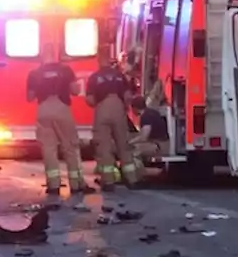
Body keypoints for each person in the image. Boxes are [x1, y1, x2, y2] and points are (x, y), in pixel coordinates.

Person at [27, 44, 90, 196]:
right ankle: (76, 184)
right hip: (62, 109)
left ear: (41, 55)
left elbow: (30, 97)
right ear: (55, 55)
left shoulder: (34, 73)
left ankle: (53, 186)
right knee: (70, 146)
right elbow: (75, 91)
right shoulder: (65, 70)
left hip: (43, 110)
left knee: (48, 149)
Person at [85, 53, 141, 191]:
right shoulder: (119, 76)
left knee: (104, 147)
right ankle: (132, 179)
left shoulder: (94, 78)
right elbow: (128, 96)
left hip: (102, 110)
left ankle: (108, 181)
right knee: (123, 144)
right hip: (118, 109)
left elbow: (90, 100)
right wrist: (123, 108)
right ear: (110, 61)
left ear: (99, 61)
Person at [131, 85, 170, 163]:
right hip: (163, 144)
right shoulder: (151, 112)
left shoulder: (146, 117)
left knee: (133, 151)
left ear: (135, 108)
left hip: (159, 146)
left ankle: (138, 172)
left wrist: (129, 142)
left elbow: (144, 137)